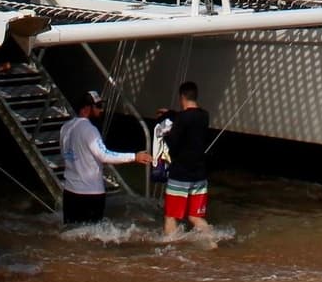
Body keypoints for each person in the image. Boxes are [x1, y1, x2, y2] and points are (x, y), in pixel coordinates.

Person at [58, 90, 151, 225]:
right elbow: (104, 155)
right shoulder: (90, 130)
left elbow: (64, 153)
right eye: (98, 106)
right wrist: (134, 156)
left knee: (70, 232)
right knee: (92, 237)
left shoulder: (65, 127)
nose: (102, 110)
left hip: (70, 192)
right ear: (86, 108)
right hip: (90, 194)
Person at [156, 81, 212, 239]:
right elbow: (189, 117)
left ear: (182, 97)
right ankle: (212, 244)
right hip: (200, 175)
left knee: (171, 216)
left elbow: (172, 143)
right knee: (195, 217)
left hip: (180, 174)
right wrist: (171, 113)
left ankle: (171, 251)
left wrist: (164, 134)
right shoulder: (204, 116)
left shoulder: (182, 118)